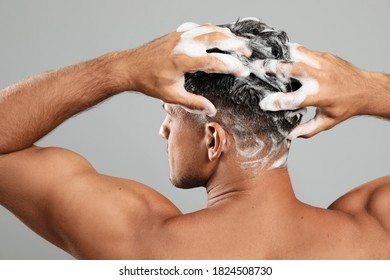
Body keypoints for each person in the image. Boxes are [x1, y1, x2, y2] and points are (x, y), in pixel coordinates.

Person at [0, 18, 389, 259]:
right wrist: (369, 89)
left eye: (170, 116)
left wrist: (120, 69)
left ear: (213, 140)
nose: (164, 131)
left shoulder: (137, 244)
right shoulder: (375, 231)